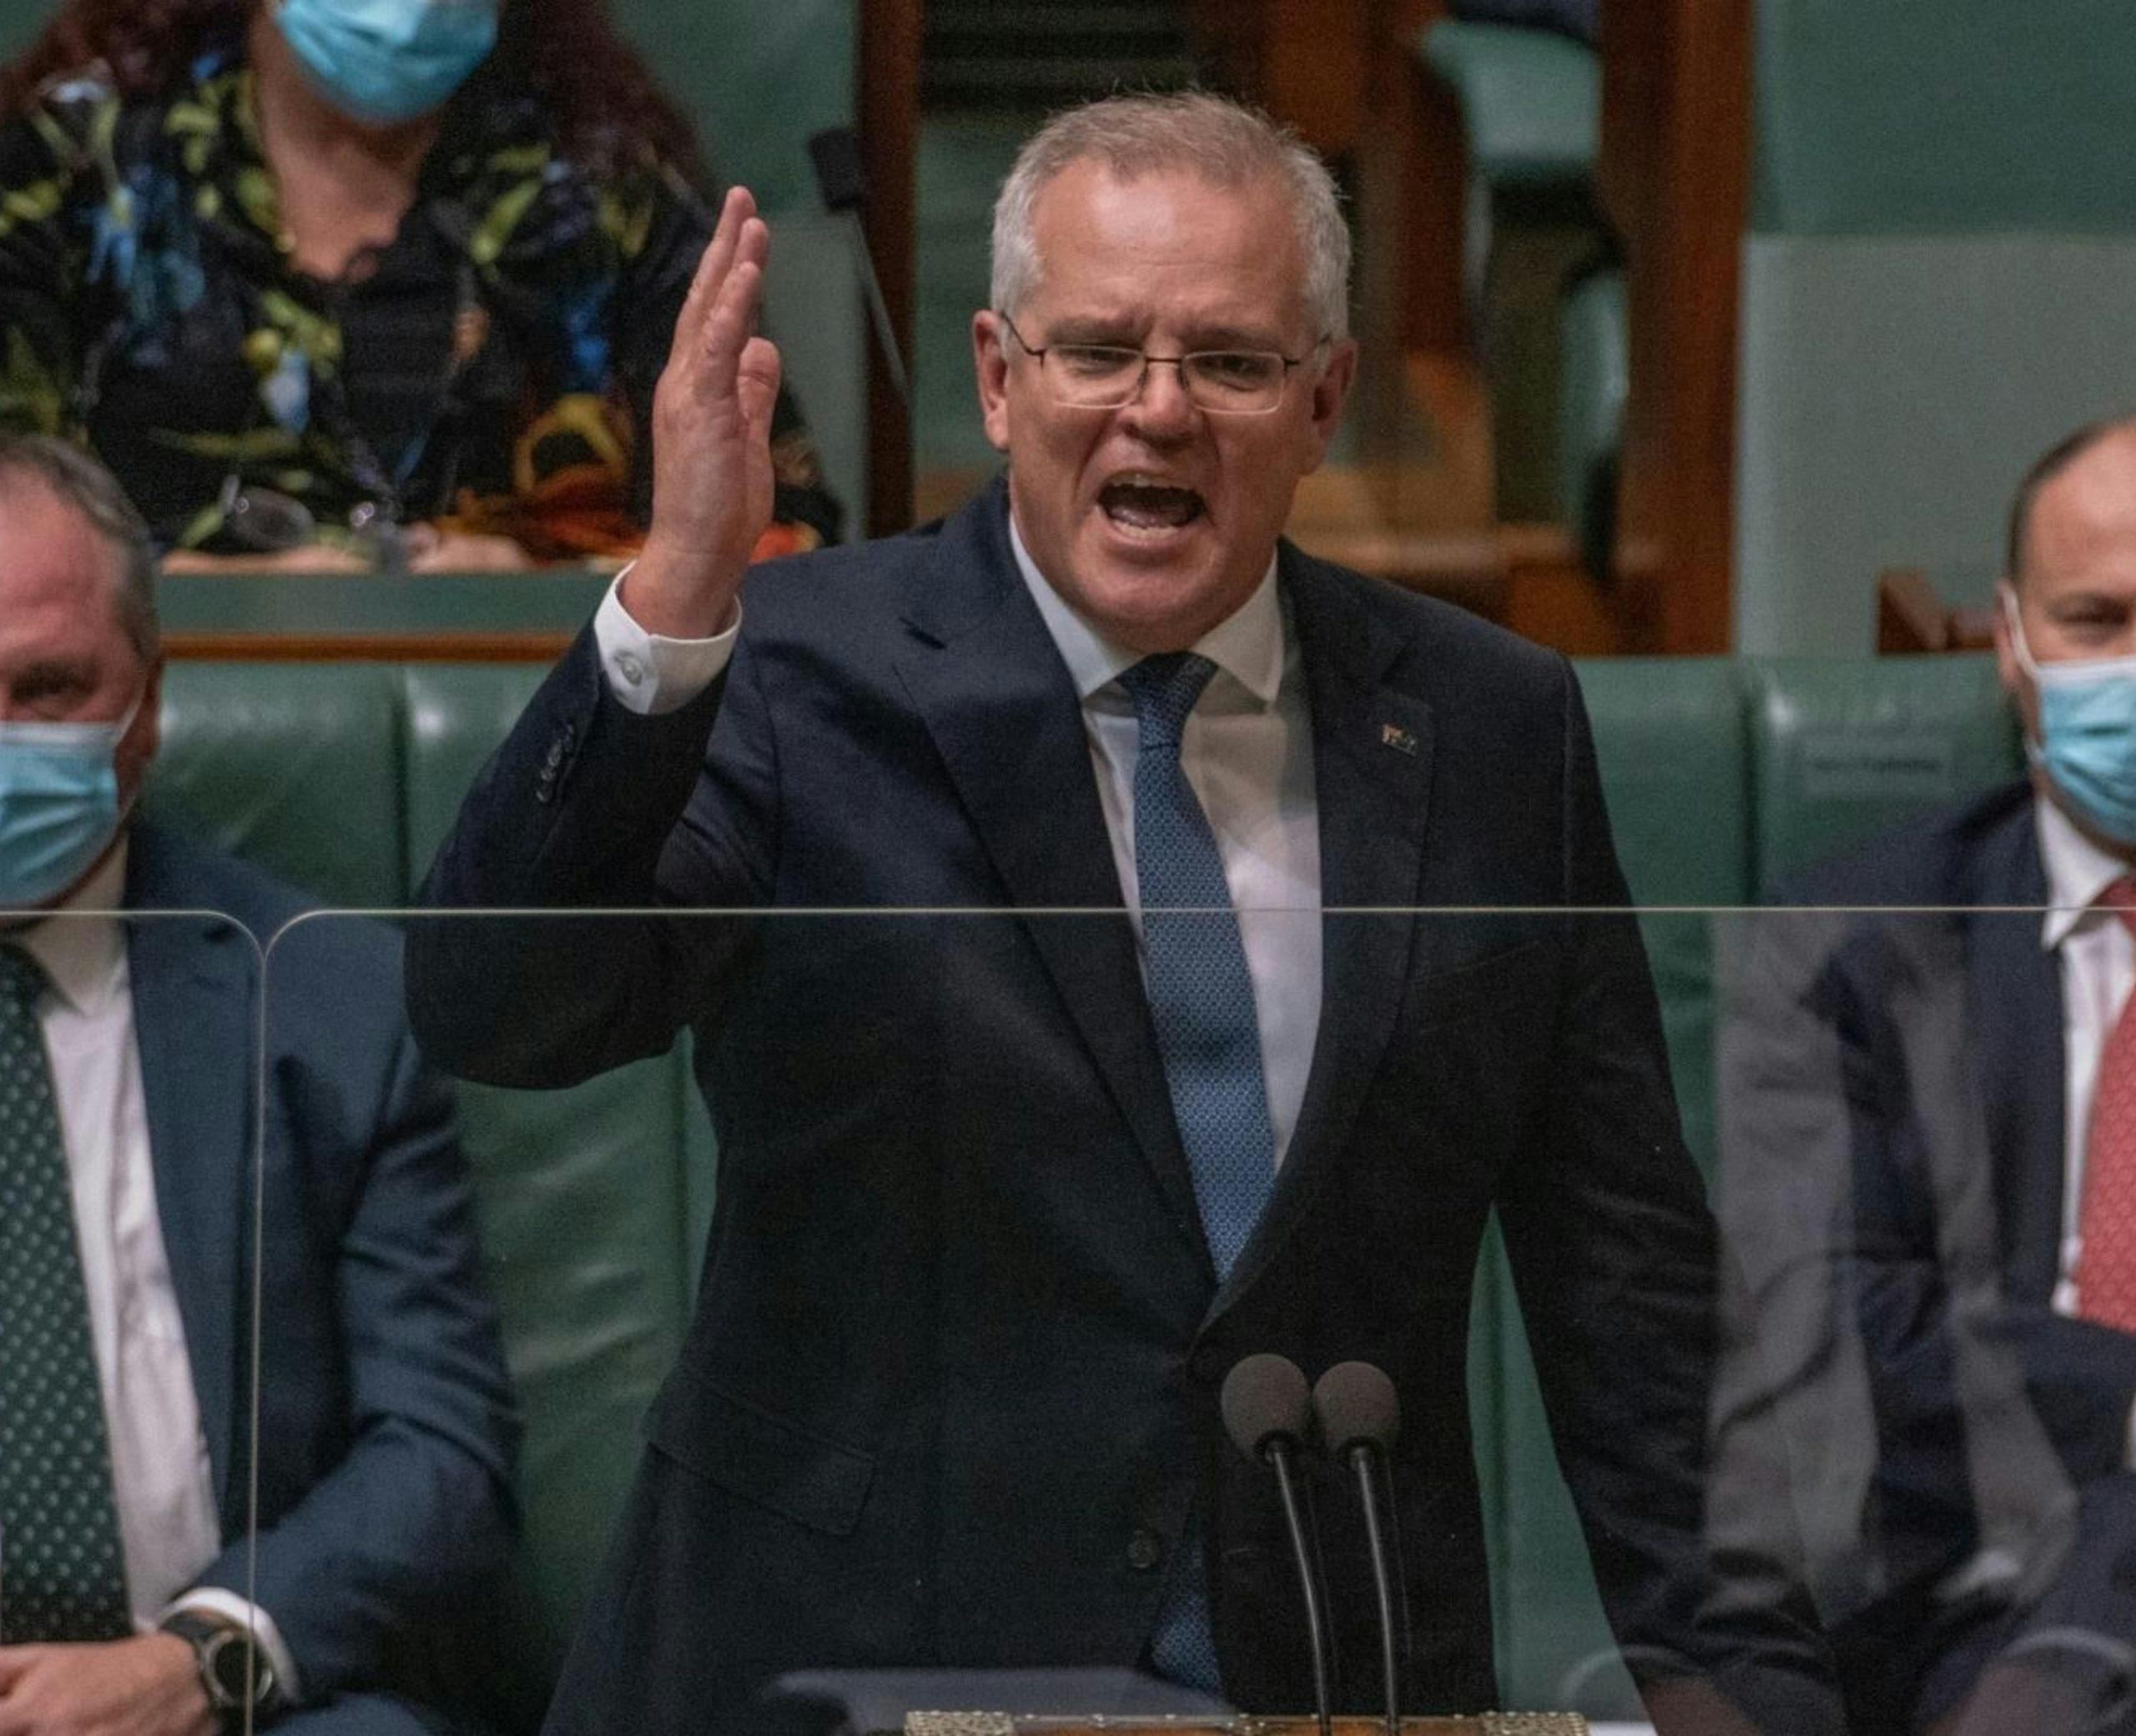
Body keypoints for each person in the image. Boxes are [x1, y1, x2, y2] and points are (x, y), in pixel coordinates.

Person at [407, 93, 1841, 1734]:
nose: (1154, 412)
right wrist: (670, 596)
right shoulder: (786, 676)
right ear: (998, 377)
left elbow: (1628, 1287)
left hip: (1327, 1665)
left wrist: (1748, 1690)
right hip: (844, 1672)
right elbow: (499, 1012)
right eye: (1095, 349)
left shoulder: (1485, 722)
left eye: (1229, 362)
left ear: (1325, 398)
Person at [0, 432, 517, 1733]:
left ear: (148, 704)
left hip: (226, 1697)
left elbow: (441, 1452)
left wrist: (195, 1664)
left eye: (45, 688)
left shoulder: (331, 1008)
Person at [1712, 417, 2136, 1735]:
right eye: (2098, 619)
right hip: (1983, 1576)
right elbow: (1837, 1329)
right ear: (2010, 643)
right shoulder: (1851, 944)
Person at [0, 0, 839, 570]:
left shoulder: (605, 198)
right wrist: (162, 585)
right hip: (159, 723)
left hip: (535, 728)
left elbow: (782, 537)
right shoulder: (75, 175)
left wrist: (552, 582)